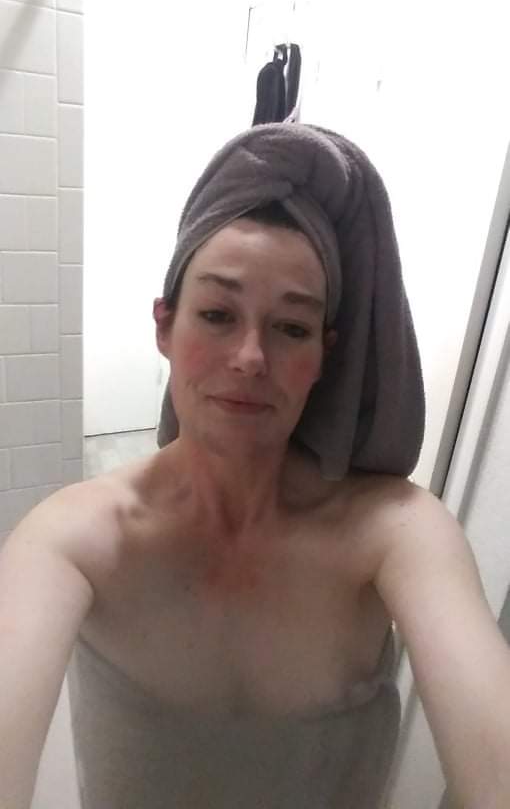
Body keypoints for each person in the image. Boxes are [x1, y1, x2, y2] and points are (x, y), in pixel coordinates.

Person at [1, 124, 510, 809]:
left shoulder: (393, 532)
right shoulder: (73, 538)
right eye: (217, 314)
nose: (249, 358)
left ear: (324, 355)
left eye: (291, 328)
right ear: (164, 325)